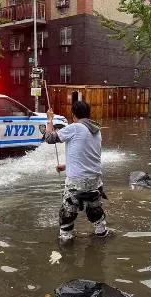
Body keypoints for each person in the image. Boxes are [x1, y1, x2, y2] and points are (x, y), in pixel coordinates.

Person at [44, 101, 109, 242]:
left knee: (67, 217)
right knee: (97, 215)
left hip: (76, 183)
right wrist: (67, 165)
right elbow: (88, 156)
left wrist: (49, 119)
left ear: (73, 115)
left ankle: (66, 249)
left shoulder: (75, 127)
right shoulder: (96, 130)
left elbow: (49, 138)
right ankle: (101, 237)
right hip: (95, 182)